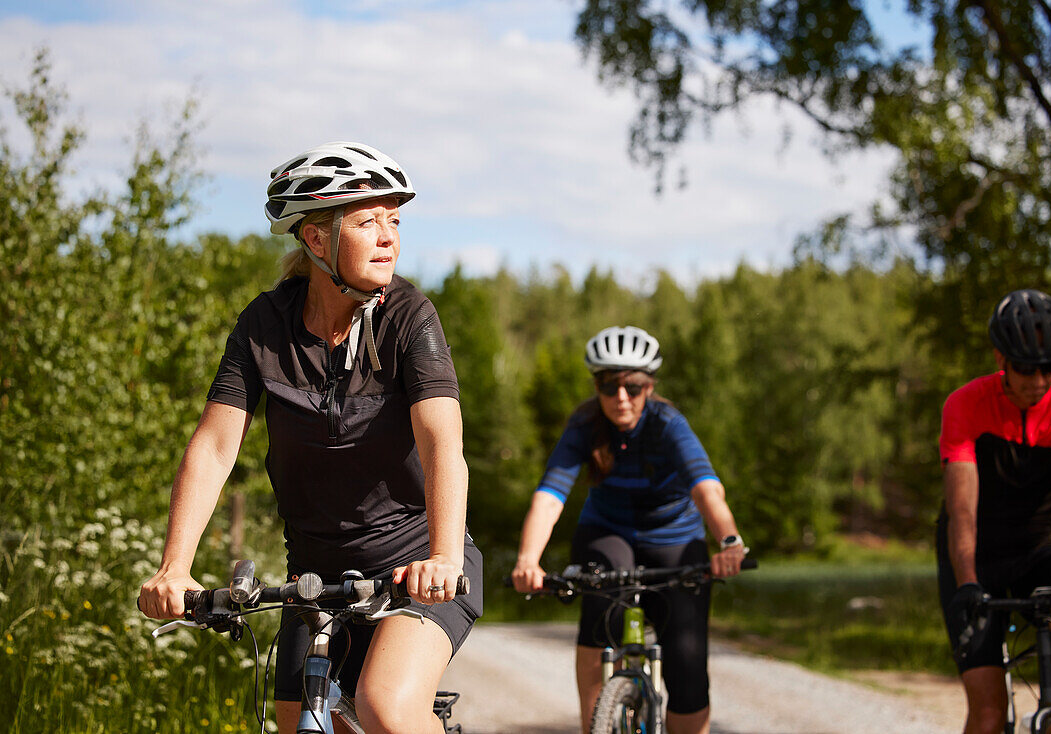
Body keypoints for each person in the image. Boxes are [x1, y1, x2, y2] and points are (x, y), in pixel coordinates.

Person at [138, 141, 482, 734]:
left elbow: (442, 446)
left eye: (394, 221)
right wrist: (176, 566)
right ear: (317, 239)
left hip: (414, 569)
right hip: (314, 580)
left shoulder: (409, 317)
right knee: (298, 719)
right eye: (368, 221)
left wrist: (444, 556)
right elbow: (215, 448)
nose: (388, 237)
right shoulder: (264, 326)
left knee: (385, 706)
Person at [510, 325, 748, 734]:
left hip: (674, 537)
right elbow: (550, 498)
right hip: (608, 531)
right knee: (600, 610)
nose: (621, 397)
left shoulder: (668, 423)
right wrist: (527, 560)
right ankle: (596, 725)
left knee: (687, 665)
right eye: (608, 386)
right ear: (596, 387)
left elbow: (707, 490)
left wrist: (729, 541)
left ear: (649, 387)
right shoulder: (585, 423)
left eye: (633, 387)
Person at [938, 288, 1051, 734]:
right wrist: (968, 582)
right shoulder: (966, 405)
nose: (1037, 380)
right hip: (976, 553)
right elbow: (963, 511)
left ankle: (1045, 720)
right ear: (1001, 358)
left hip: (1039, 546)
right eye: (1026, 368)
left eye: (1049, 367)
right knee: (988, 714)